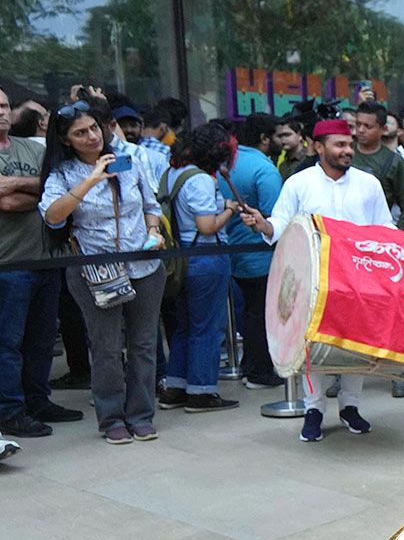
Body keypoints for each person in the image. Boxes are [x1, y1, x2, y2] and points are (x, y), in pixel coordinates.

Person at [240, 119, 393, 442]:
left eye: (349, 144)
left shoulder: (369, 183)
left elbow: (384, 227)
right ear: (318, 147)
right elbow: (282, 223)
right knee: (313, 345)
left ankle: (350, 406)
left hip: (360, 279)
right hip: (314, 280)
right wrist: (263, 225)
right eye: (339, 144)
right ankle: (314, 410)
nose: (347, 150)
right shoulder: (298, 183)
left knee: (357, 345)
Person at [39, 100, 164, 444]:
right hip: (96, 271)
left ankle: (141, 414)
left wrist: (154, 230)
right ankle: (111, 419)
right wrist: (91, 179)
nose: (92, 136)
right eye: (81, 132)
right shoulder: (62, 174)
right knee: (106, 348)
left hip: (144, 263)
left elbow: (150, 204)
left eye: (94, 127)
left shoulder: (131, 159)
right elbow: (53, 216)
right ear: (66, 140)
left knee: (143, 344)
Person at [0, 87, 83, 439]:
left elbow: (56, 190)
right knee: (8, 343)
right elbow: (6, 204)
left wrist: (15, 184)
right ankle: (9, 410)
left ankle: (38, 400)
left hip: (46, 259)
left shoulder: (31, 147)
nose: (1, 113)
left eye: (4, 106)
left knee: (42, 339)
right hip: (8, 263)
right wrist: (39, 196)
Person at [155, 125, 241, 414]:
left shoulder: (171, 174)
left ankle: (175, 387)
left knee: (184, 327)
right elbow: (207, 226)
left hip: (179, 259)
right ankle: (202, 392)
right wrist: (229, 209)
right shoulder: (202, 180)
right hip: (206, 257)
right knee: (207, 328)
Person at [217, 112, 284, 389]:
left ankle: (249, 366)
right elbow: (276, 216)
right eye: (278, 136)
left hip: (234, 251)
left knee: (249, 313)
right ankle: (259, 371)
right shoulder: (264, 169)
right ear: (264, 138)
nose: (282, 140)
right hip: (261, 254)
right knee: (262, 314)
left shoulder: (227, 164)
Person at [353, 99, 404, 229]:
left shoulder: (395, 162)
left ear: (383, 129)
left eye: (368, 126)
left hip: (376, 234)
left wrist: (394, 236)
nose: (361, 130)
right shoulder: (344, 154)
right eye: (358, 124)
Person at [274, 117, 307, 181]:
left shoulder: (312, 159)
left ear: (299, 135)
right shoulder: (283, 165)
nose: (283, 140)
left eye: (287, 135)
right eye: (280, 136)